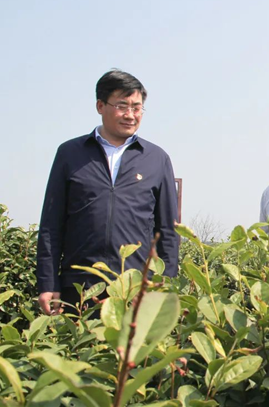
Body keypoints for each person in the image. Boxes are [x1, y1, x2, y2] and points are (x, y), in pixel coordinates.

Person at [36, 69, 180, 316]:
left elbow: (167, 230)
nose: (130, 115)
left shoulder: (156, 159)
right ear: (100, 106)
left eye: (137, 107)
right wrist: (48, 282)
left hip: (135, 289)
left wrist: (165, 285)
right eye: (122, 106)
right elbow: (51, 225)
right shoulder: (70, 154)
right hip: (80, 287)